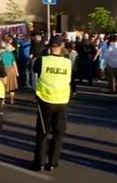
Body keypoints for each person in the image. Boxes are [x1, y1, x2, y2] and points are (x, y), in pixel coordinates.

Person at [32, 36, 72, 171]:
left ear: (49, 47)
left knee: (42, 133)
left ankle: (40, 163)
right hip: (61, 100)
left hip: (45, 99)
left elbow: (35, 71)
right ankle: (53, 163)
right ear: (61, 47)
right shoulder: (67, 63)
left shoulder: (42, 60)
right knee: (58, 133)